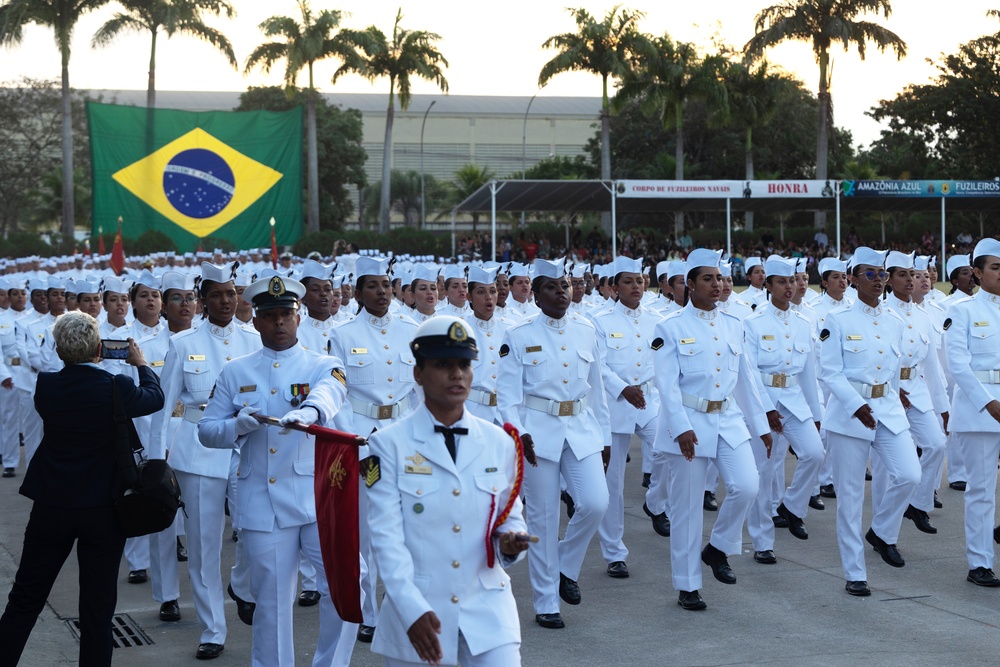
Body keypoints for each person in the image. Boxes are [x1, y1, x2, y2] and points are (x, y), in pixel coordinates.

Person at [199, 275, 357, 666]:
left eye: (287, 314)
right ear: (255, 321)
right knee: (271, 604)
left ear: (299, 317)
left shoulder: (324, 364)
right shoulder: (237, 371)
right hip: (263, 501)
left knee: (345, 589)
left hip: (316, 497)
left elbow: (330, 393)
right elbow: (207, 432)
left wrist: (309, 412)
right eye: (270, 316)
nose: (280, 323)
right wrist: (239, 425)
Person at [0, 311, 164, 667]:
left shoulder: (47, 385)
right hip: (103, 509)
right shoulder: (115, 386)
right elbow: (154, 398)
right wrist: (140, 363)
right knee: (97, 607)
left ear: (59, 351)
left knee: (26, 596)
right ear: (99, 349)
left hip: (52, 504)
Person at [367, 315, 530, 666]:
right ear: (418, 373)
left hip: (488, 611)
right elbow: (385, 538)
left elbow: (508, 513)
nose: (457, 374)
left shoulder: (499, 441)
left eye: (463, 365)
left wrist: (510, 539)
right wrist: (410, 610)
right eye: (443, 365)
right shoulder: (387, 445)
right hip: (420, 612)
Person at [148, 262, 262, 660]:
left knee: (255, 534)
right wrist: (155, 459)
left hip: (250, 447)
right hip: (197, 452)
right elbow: (164, 408)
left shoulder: (254, 340)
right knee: (202, 547)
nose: (226, 301)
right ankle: (213, 628)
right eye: (216, 294)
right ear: (203, 301)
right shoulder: (184, 345)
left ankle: (241, 584)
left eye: (231, 293)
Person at [652, 248, 771, 611]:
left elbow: (747, 381)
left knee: (747, 485)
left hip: (729, 419)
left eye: (719, 278)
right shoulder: (670, 328)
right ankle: (687, 585)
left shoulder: (735, 324)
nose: (717, 284)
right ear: (689, 284)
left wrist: (761, 423)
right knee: (686, 509)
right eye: (708, 278)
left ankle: (717, 547)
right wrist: (680, 428)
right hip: (690, 422)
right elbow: (666, 385)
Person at [497, 257, 610, 629]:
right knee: (544, 518)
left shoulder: (587, 330)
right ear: (536, 293)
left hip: (580, 427)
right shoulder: (520, 335)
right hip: (537, 433)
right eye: (551, 287)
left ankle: (566, 565)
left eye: (565, 285)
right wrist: (518, 432)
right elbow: (507, 395)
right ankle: (547, 602)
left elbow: (598, 391)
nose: (561, 292)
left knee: (596, 503)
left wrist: (605, 437)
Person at [820, 247, 920, 597]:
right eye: (870, 274)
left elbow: (889, 370)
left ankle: (880, 531)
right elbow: (829, 372)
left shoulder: (895, 320)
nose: (878, 281)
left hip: (888, 409)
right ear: (852, 279)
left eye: (881, 274)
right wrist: (854, 404)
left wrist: (897, 393)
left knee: (911, 474)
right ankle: (855, 572)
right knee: (849, 498)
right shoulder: (838, 320)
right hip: (850, 415)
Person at [744, 257, 823, 565]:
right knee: (764, 471)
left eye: (792, 281)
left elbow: (807, 373)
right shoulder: (753, 323)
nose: (789, 287)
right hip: (764, 400)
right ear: (768, 286)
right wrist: (764, 409)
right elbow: (749, 372)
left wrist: (816, 414)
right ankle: (762, 541)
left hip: (793, 398)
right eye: (781, 282)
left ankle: (791, 508)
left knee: (815, 453)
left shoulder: (804, 323)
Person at [593, 256, 665, 578]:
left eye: (639, 280)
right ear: (614, 287)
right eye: (628, 282)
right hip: (614, 403)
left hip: (648, 400)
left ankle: (655, 500)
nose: (636, 286)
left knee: (667, 448)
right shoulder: (601, 320)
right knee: (614, 482)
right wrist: (623, 389)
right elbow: (599, 367)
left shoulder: (656, 319)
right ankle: (614, 552)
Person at [944, 238, 1000, 587]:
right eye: (995, 267)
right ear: (977, 273)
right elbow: (958, 366)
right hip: (982, 411)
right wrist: (988, 403)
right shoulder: (962, 310)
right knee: (981, 490)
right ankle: (979, 563)